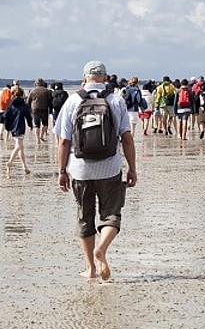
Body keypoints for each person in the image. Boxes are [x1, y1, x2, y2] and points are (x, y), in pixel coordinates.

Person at [54, 60, 137, 281]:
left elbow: (63, 141)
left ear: (84, 78)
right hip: (110, 168)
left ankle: (90, 268)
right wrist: (132, 168)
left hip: (80, 170)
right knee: (111, 215)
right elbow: (127, 139)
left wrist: (62, 171)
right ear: (105, 77)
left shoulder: (73, 101)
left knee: (85, 217)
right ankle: (102, 248)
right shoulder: (115, 100)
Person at [3, 86, 32, 174]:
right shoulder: (23, 104)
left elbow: (5, 115)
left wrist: (7, 127)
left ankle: (24, 167)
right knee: (19, 146)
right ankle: (10, 162)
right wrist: (30, 125)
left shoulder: (10, 104)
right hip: (20, 127)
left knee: (21, 148)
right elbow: (28, 116)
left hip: (12, 127)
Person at [27, 78, 53, 144]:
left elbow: (28, 101)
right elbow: (50, 101)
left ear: (36, 84)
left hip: (35, 109)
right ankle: (41, 136)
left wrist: (29, 110)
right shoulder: (47, 91)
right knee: (45, 124)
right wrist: (50, 110)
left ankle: (37, 140)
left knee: (36, 125)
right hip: (44, 109)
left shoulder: (32, 91)